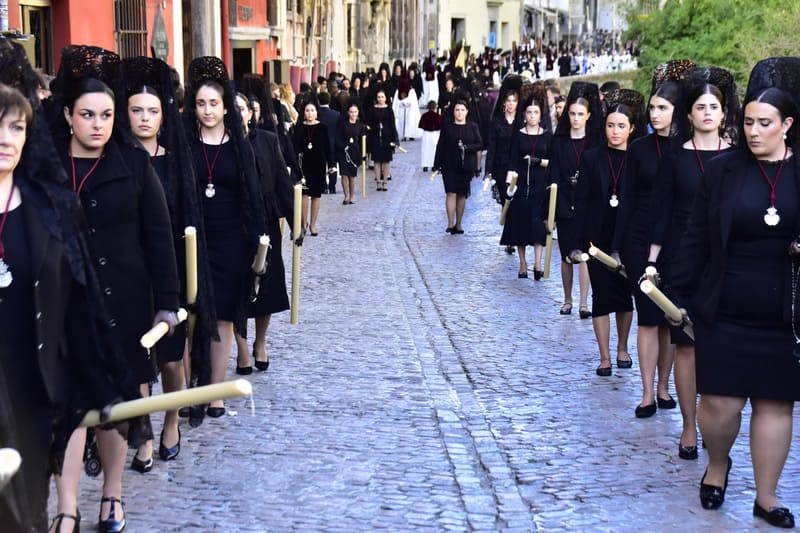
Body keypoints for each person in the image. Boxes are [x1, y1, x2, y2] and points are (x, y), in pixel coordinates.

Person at [0, 38, 138, 533]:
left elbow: (72, 301)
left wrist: (94, 376)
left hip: (30, 389)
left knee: (23, 514)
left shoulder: (47, 205)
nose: (6, 138)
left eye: (16, 126)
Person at [47, 44, 181, 533]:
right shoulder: (45, 169)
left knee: (113, 408)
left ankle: (112, 495)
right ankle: (65, 507)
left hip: (122, 304)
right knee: (68, 407)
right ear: (68, 114)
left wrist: (167, 306)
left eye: (106, 114)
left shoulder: (134, 166)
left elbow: (159, 240)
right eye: (87, 115)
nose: (97, 124)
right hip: (61, 305)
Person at [668, 57, 800, 528]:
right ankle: (718, 463)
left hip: (783, 313)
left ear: (787, 125)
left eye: (764, 124)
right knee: (720, 404)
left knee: (775, 403)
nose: (753, 131)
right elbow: (696, 239)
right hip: (723, 307)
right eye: (747, 122)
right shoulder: (722, 172)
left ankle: (766, 497)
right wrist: (677, 296)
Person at [121, 55, 216, 468]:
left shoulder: (177, 161)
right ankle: (142, 436)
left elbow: (189, 217)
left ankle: (172, 419)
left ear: (165, 115)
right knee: (139, 365)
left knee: (172, 360)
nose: (145, 118)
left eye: (153, 111)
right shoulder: (119, 160)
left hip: (172, 270)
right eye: (137, 110)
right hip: (129, 274)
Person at [652, 67, 739, 451]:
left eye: (713, 106)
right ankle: (689, 426)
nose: (706, 112)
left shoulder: (737, 157)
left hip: (725, 262)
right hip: (682, 261)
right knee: (685, 345)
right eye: (700, 106)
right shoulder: (674, 157)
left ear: (723, 114)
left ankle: (711, 421)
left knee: (717, 345)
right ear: (688, 114)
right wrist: (652, 263)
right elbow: (663, 210)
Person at [182, 56, 266, 417]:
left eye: (213, 103)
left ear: (225, 104)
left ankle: (215, 390)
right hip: (191, 240)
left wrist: (260, 241)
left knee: (223, 317)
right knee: (190, 314)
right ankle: (187, 392)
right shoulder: (184, 142)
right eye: (200, 104)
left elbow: (252, 193)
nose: (207, 110)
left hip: (230, 240)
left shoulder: (238, 144)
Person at [612, 61, 695, 419]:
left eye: (663, 108)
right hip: (639, 238)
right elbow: (627, 198)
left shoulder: (686, 148)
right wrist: (619, 246)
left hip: (676, 241)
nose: (655, 113)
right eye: (653, 107)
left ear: (678, 111)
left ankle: (665, 386)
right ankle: (647, 392)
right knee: (648, 318)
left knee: (670, 319)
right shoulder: (640, 148)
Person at [569, 91, 644, 376]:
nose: (615, 131)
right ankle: (604, 356)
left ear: (631, 128)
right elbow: (584, 200)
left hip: (627, 238)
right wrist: (576, 242)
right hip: (597, 238)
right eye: (611, 125)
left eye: (621, 126)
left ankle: (622, 348)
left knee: (625, 297)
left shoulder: (638, 157)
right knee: (602, 296)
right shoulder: (592, 157)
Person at [233, 92, 294, 374]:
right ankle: (242, 348)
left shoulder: (268, 140)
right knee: (235, 288)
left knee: (266, 286)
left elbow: (282, 179)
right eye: (232, 107)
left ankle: (260, 342)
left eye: (243, 108)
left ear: (251, 113)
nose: (238, 112)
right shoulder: (222, 144)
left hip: (266, 223)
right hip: (233, 223)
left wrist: (296, 220)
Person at [547, 81, 603, 317]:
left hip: (587, 203)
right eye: (572, 114)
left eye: (581, 114)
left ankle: (583, 302)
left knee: (586, 254)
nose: (576, 118)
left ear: (589, 115)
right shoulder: (559, 142)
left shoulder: (595, 143)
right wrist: (549, 211)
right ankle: (567, 298)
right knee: (567, 254)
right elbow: (552, 176)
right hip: (564, 203)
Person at [500, 84, 551, 278]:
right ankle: (523, 264)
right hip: (521, 185)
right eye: (529, 112)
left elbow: (553, 161)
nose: (532, 116)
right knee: (519, 224)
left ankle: (538, 264)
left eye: (535, 112)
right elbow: (512, 161)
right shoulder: (518, 135)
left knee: (538, 225)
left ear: (540, 114)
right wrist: (508, 186)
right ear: (525, 114)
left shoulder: (547, 136)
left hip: (540, 184)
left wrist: (539, 162)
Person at [433, 99, 482, 234]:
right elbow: (440, 146)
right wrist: (436, 164)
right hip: (449, 165)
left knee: (461, 195)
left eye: (462, 110)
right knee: (450, 193)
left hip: (465, 166)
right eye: (457, 110)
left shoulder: (473, 127)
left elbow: (479, 144)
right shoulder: (448, 127)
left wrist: (467, 148)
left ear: (466, 112)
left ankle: (459, 224)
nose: (459, 113)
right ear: (453, 112)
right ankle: (450, 223)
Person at [485, 75, 523, 251]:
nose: (511, 104)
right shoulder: (496, 122)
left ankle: (512, 236)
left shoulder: (521, 122)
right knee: (505, 202)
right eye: (508, 101)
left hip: (517, 167)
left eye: (514, 101)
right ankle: (509, 238)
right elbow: (491, 147)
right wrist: (488, 171)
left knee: (515, 202)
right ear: (503, 103)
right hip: (501, 167)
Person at [293, 97, 335, 232]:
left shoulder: (323, 128)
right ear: (303, 112)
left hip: (319, 164)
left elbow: (328, 148)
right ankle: (303, 224)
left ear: (316, 112)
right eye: (307, 110)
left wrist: (331, 165)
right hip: (304, 165)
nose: (310, 113)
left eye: (312, 110)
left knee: (316, 195)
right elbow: (295, 148)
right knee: (304, 194)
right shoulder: (299, 127)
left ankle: (313, 225)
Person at [334, 99, 366, 204]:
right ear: (348, 113)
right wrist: (343, 146)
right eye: (351, 112)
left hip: (355, 152)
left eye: (355, 112)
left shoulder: (361, 125)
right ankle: (346, 195)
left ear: (358, 113)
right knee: (344, 174)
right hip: (344, 152)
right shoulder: (343, 124)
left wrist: (363, 154)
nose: (353, 114)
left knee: (352, 176)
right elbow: (337, 138)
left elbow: (363, 141)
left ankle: (352, 196)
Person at [366, 88, 398, 191]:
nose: (380, 99)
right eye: (379, 97)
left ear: (385, 98)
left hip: (387, 137)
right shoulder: (372, 109)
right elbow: (369, 123)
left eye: (382, 97)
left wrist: (395, 139)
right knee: (376, 160)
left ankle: (385, 181)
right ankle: (378, 181)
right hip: (375, 137)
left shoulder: (389, 109)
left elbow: (392, 125)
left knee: (386, 160)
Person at [317, 92, 340, 194]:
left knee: (321, 165)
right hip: (332, 143)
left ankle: (323, 186)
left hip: (320, 143)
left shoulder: (316, 113)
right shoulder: (336, 114)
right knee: (333, 165)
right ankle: (332, 186)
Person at [419, 100, 442, 172]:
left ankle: (425, 165)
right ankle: (434, 165)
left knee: (425, 149)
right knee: (434, 150)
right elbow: (440, 126)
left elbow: (420, 125)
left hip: (426, 134)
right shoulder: (437, 116)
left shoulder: (424, 115)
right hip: (434, 134)